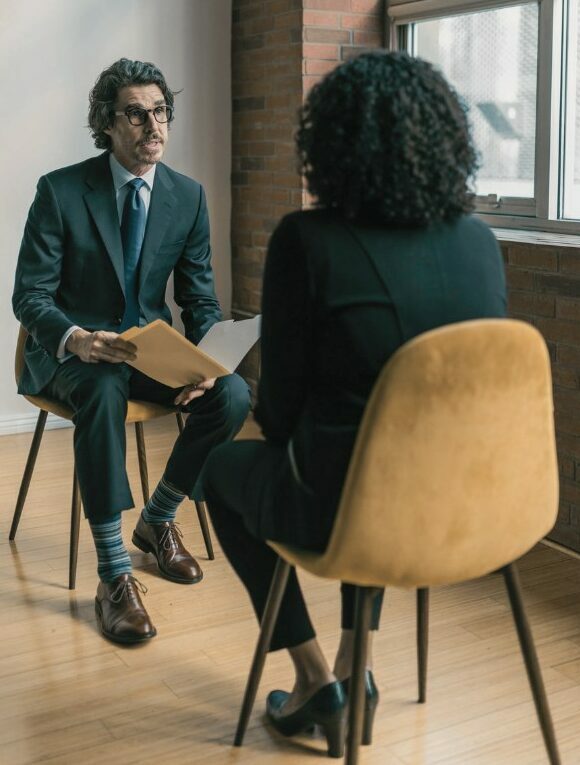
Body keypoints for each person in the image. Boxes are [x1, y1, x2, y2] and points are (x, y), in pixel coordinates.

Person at [202, 51, 507, 756]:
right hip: (473, 507)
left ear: (331, 143)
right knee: (380, 464)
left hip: (346, 508)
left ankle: (316, 676)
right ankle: (355, 662)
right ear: (444, 139)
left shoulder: (307, 242)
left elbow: (277, 415)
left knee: (225, 468)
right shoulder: (481, 243)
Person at [13, 58, 250, 645]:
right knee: (101, 386)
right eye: (137, 114)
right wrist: (77, 339)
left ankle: (159, 518)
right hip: (73, 357)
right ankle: (114, 571)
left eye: (161, 111)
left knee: (234, 394)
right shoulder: (61, 190)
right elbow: (30, 295)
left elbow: (199, 301)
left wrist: (205, 361)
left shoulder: (187, 197)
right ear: (108, 124)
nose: (154, 126)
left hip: (150, 353)